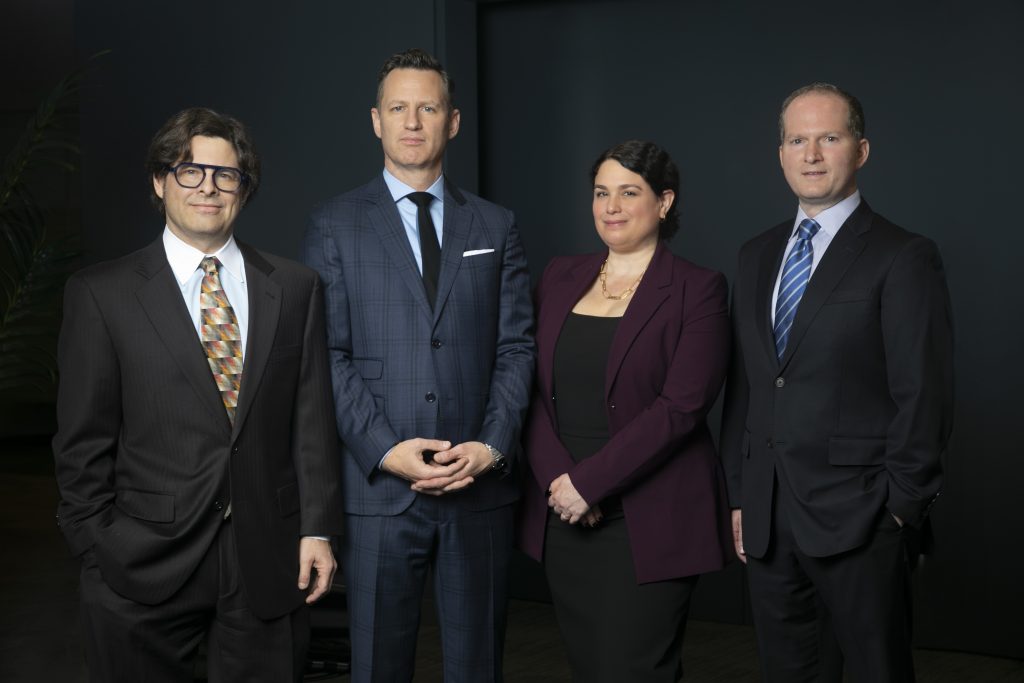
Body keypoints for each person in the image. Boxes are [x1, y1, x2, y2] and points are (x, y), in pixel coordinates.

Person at [52, 107, 344, 682]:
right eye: (189, 171)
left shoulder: (294, 287)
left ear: (244, 189)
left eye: (225, 174)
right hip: (142, 565)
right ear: (160, 183)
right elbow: (81, 444)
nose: (208, 187)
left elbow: (312, 424)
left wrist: (318, 529)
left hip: (266, 561)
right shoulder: (101, 294)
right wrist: (98, 548)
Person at [303, 48, 534, 682]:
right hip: (379, 491)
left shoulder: (496, 223)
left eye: (427, 107)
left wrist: (491, 445)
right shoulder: (334, 224)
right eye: (398, 108)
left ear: (452, 121)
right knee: (377, 668)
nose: (413, 121)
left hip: (476, 485)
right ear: (375, 121)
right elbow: (329, 354)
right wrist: (384, 449)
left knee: (477, 667)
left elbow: (516, 346)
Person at [720, 83, 954, 682]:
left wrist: (900, 510)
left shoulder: (903, 256)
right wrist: (743, 494)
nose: (812, 153)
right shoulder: (755, 254)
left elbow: (923, 392)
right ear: (780, 154)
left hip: (863, 520)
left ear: (863, 149)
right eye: (797, 139)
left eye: (830, 137)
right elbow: (749, 383)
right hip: (770, 520)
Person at [517, 140, 733, 682]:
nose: (610, 206)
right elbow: (527, 389)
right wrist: (560, 485)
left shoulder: (698, 289)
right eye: (600, 193)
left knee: (634, 671)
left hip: (650, 519)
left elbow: (682, 407)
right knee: (590, 668)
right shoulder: (559, 276)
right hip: (565, 513)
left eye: (628, 192)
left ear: (663, 202)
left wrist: (590, 483)